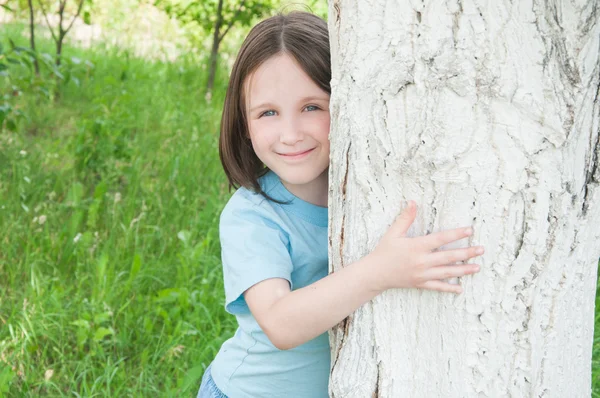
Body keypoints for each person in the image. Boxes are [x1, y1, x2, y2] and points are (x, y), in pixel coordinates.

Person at [197, 11, 484, 398]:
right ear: (244, 126)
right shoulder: (252, 216)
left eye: (312, 107)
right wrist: (381, 271)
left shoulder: (369, 192)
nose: (290, 134)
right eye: (268, 113)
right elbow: (280, 323)